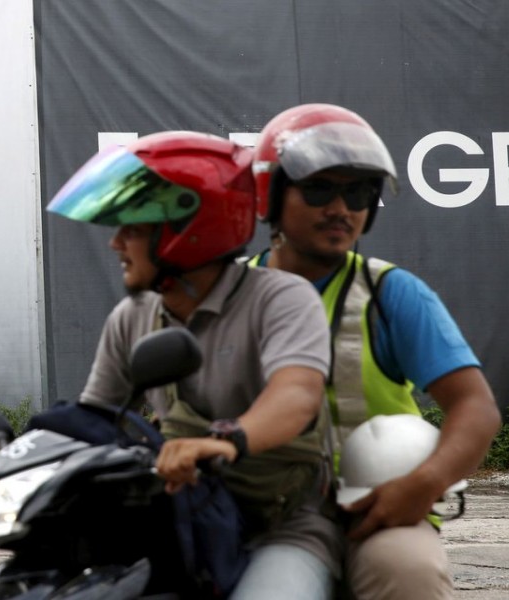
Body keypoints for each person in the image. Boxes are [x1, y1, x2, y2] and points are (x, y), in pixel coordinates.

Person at [47, 130, 341, 599]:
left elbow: (296, 394)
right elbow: (96, 421)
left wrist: (225, 442)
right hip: (181, 517)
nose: (115, 244)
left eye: (134, 229)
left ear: (188, 232)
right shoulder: (134, 316)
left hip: (279, 523)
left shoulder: (281, 298)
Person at [249, 103, 503, 599]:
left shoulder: (390, 292)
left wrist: (422, 485)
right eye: (320, 188)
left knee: (408, 572)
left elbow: (475, 408)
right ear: (271, 195)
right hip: (261, 512)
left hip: (382, 510)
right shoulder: (231, 294)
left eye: (359, 191)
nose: (341, 208)